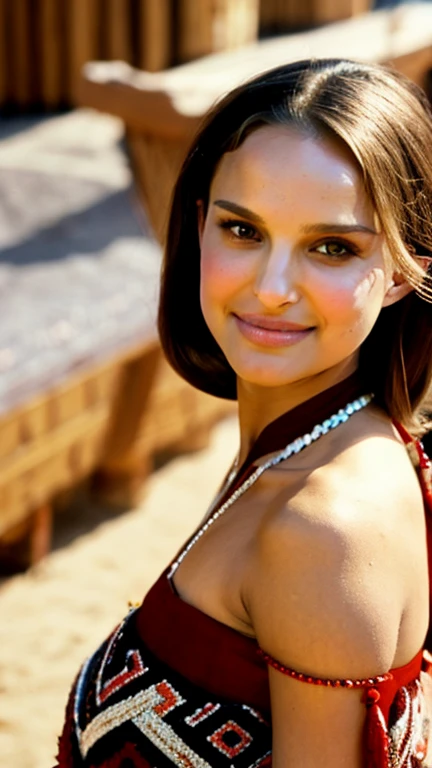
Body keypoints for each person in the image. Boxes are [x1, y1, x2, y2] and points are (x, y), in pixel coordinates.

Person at [56, 58, 432, 768]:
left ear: (402, 271)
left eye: (332, 247)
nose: (271, 288)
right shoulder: (326, 443)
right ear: (199, 226)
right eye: (243, 231)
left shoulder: (322, 528)